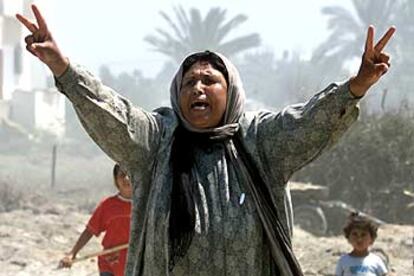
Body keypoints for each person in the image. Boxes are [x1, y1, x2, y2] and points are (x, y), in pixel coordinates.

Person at [16, 4, 395, 276]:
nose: (197, 88)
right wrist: (62, 68)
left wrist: (356, 86)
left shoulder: (260, 141)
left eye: (209, 80)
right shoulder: (156, 141)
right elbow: (113, 115)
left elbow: (310, 122)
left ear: (230, 92)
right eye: (188, 82)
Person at [59, 164, 132, 276]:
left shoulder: (146, 207)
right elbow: (89, 231)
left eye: (130, 175)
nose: (126, 179)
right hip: (110, 263)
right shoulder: (108, 205)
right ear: (116, 180)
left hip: (135, 262)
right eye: (122, 175)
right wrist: (72, 253)